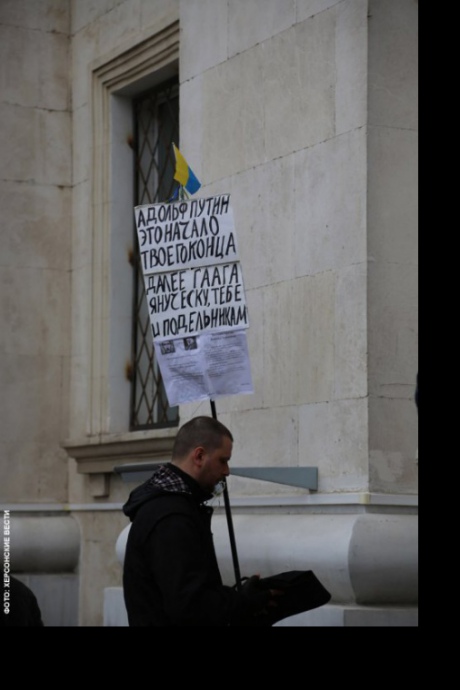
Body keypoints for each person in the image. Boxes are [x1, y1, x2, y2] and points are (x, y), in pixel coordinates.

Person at [122, 415, 281, 626]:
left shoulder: (174, 506)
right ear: (199, 456)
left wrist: (238, 596)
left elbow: (191, 589)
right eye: (223, 460)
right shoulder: (171, 516)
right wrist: (244, 602)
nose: (227, 471)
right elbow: (190, 606)